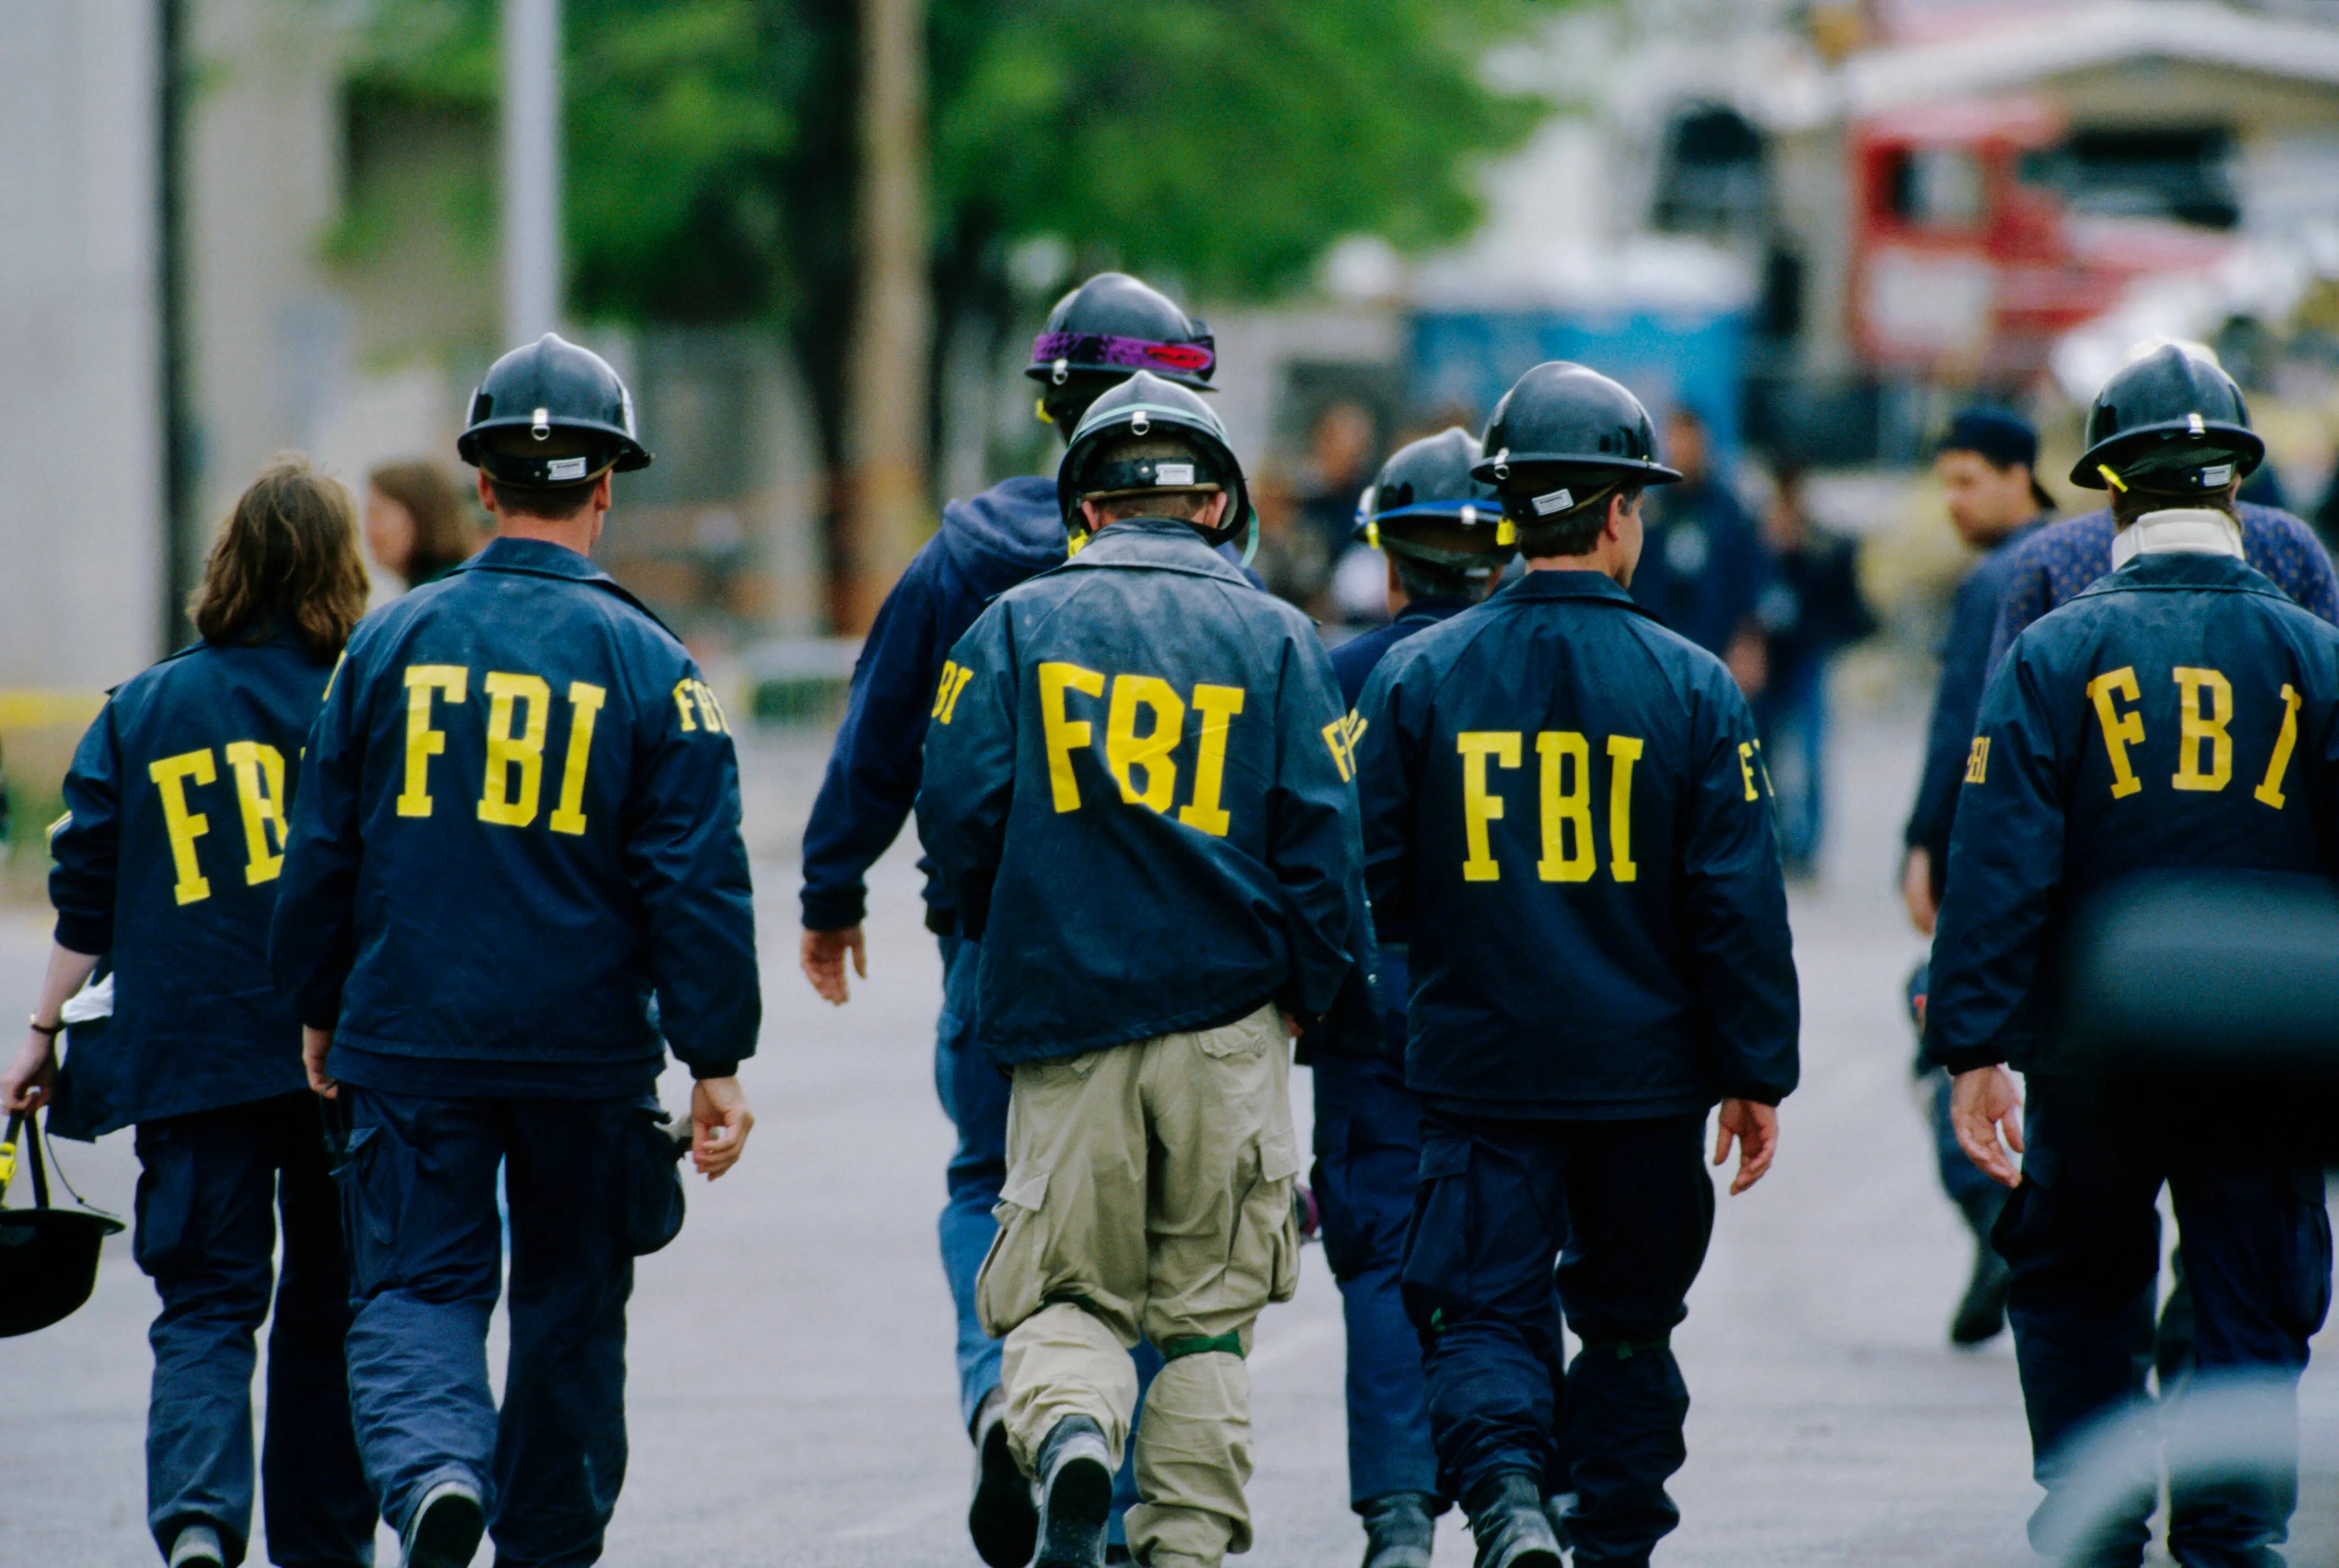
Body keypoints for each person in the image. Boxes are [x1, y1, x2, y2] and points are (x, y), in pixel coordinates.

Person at [271, 334, 760, 1568]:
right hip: (585, 1055)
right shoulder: (658, 668)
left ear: (483, 487)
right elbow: (695, 882)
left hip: (410, 1034)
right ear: (607, 488)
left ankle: (435, 1471)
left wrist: (315, 1003)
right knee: (570, 1316)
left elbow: (324, 847)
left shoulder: (385, 651)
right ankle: (544, 1544)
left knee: (414, 1292)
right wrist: (714, 1057)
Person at [918, 371, 1375, 1568]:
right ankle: (1179, 1547)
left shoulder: (1009, 626)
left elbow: (953, 818)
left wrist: (1003, 933)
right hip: (1229, 1027)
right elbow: (1324, 851)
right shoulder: (1279, 637)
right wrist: (1312, 999)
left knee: (1064, 1292)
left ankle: (1069, 1431)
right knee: (1206, 1324)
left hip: (1063, 1023)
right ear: (1220, 506)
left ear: (1083, 505)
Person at [797, 271, 1215, 1566]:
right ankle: (1104, 1454)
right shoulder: (1216, 572)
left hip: (996, 943)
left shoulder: (965, 555)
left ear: (1049, 409)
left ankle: (1002, 1399)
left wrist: (832, 888)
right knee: (1150, 1220)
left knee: (990, 1183)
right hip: (1179, 956)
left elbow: (879, 735)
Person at [1353, 361, 1799, 1568]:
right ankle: (1608, 1543)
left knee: (1482, 1310)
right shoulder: (1693, 689)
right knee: (1624, 1326)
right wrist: (1755, 1070)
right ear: (1615, 515)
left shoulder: (1417, 676)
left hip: (1478, 1067)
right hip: (1642, 1081)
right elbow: (1735, 908)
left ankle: (1505, 1505)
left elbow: (1372, 889)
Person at [1930, 344, 2337, 1567]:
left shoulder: (2052, 654)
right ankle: (2232, 1529)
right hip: (2270, 1049)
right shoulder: (2317, 658)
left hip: (2085, 1049)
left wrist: (1969, 1047)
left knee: (2071, 1283)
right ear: (2235, 492)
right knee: (2251, 1291)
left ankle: (2093, 1517)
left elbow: (1994, 862)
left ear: (2105, 491)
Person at [1, 457, 375, 1568]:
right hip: (338, 1059)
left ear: (226, 567)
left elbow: (85, 899)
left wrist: (39, 1037)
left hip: (190, 1057)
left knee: (206, 1308)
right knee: (328, 1312)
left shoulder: (145, 708)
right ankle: (322, 1545)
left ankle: (201, 1522)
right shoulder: (361, 694)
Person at [1320, 429, 1517, 1568]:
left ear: (1386, 563)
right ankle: (1514, 1491)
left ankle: (1396, 1518)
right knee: (1508, 1250)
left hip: (1370, 996)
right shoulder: (1526, 661)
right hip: (1509, 999)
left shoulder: (1333, 677)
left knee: (1380, 1256)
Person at [1897, 407, 2053, 1347]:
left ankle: (1998, 1215)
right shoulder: (2090, 555)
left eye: (1964, 481)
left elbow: (1960, 730)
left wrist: (1922, 842)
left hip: (1988, 862)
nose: (1951, 503)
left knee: (1938, 1023)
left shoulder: (1995, 580)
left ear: (2014, 475)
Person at [1983, 346, 2337, 681]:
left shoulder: (2046, 605)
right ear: (2235, 483)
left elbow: (2003, 734)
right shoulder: (2292, 554)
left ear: (2110, 487)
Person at [1752, 460, 1875, 877]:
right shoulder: (1757, 536)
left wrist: (1799, 551)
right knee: (1764, 756)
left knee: (1808, 756)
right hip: (1768, 662)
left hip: (1806, 659)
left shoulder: (1821, 541)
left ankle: (1804, 847)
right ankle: (1772, 839)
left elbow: (1841, 600)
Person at [1614, 405, 1772, 696]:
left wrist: (1749, 640)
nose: (1686, 450)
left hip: (1718, 649)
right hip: (1658, 653)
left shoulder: (1730, 513)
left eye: (1692, 440)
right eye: (1678, 440)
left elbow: (1751, 579)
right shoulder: (1648, 514)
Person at [365, 460, 480, 590]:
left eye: (377, 514)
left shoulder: (443, 597)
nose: (368, 530)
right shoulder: (451, 586)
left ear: (420, 516)